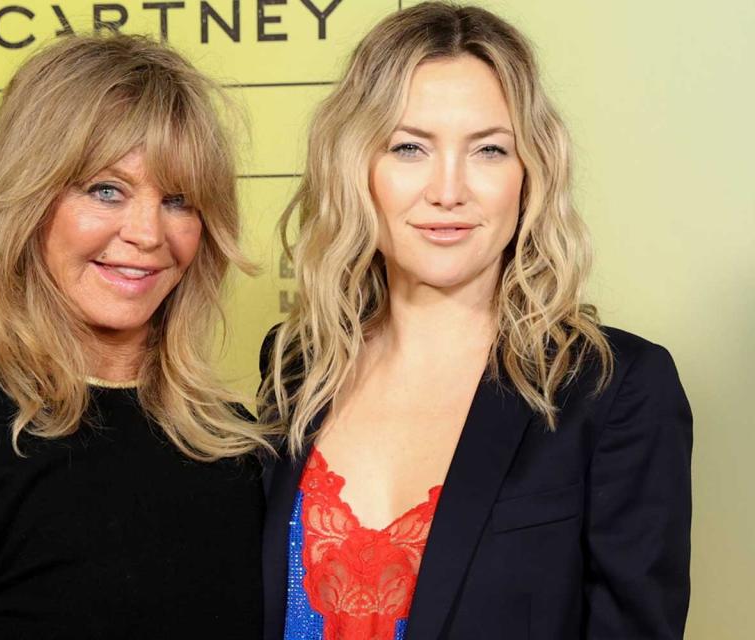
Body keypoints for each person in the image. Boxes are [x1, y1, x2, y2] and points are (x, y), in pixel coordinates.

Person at [257, 3, 692, 639]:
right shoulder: (296, 364)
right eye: (409, 147)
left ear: (530, 174)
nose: (448, 190)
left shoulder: (615, 388)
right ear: (356, 168)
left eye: (489, 149)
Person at [0, 32, 270, 639]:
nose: (148, 234)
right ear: (27, 200)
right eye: (107, 190)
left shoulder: (233, 444)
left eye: (179, 199)